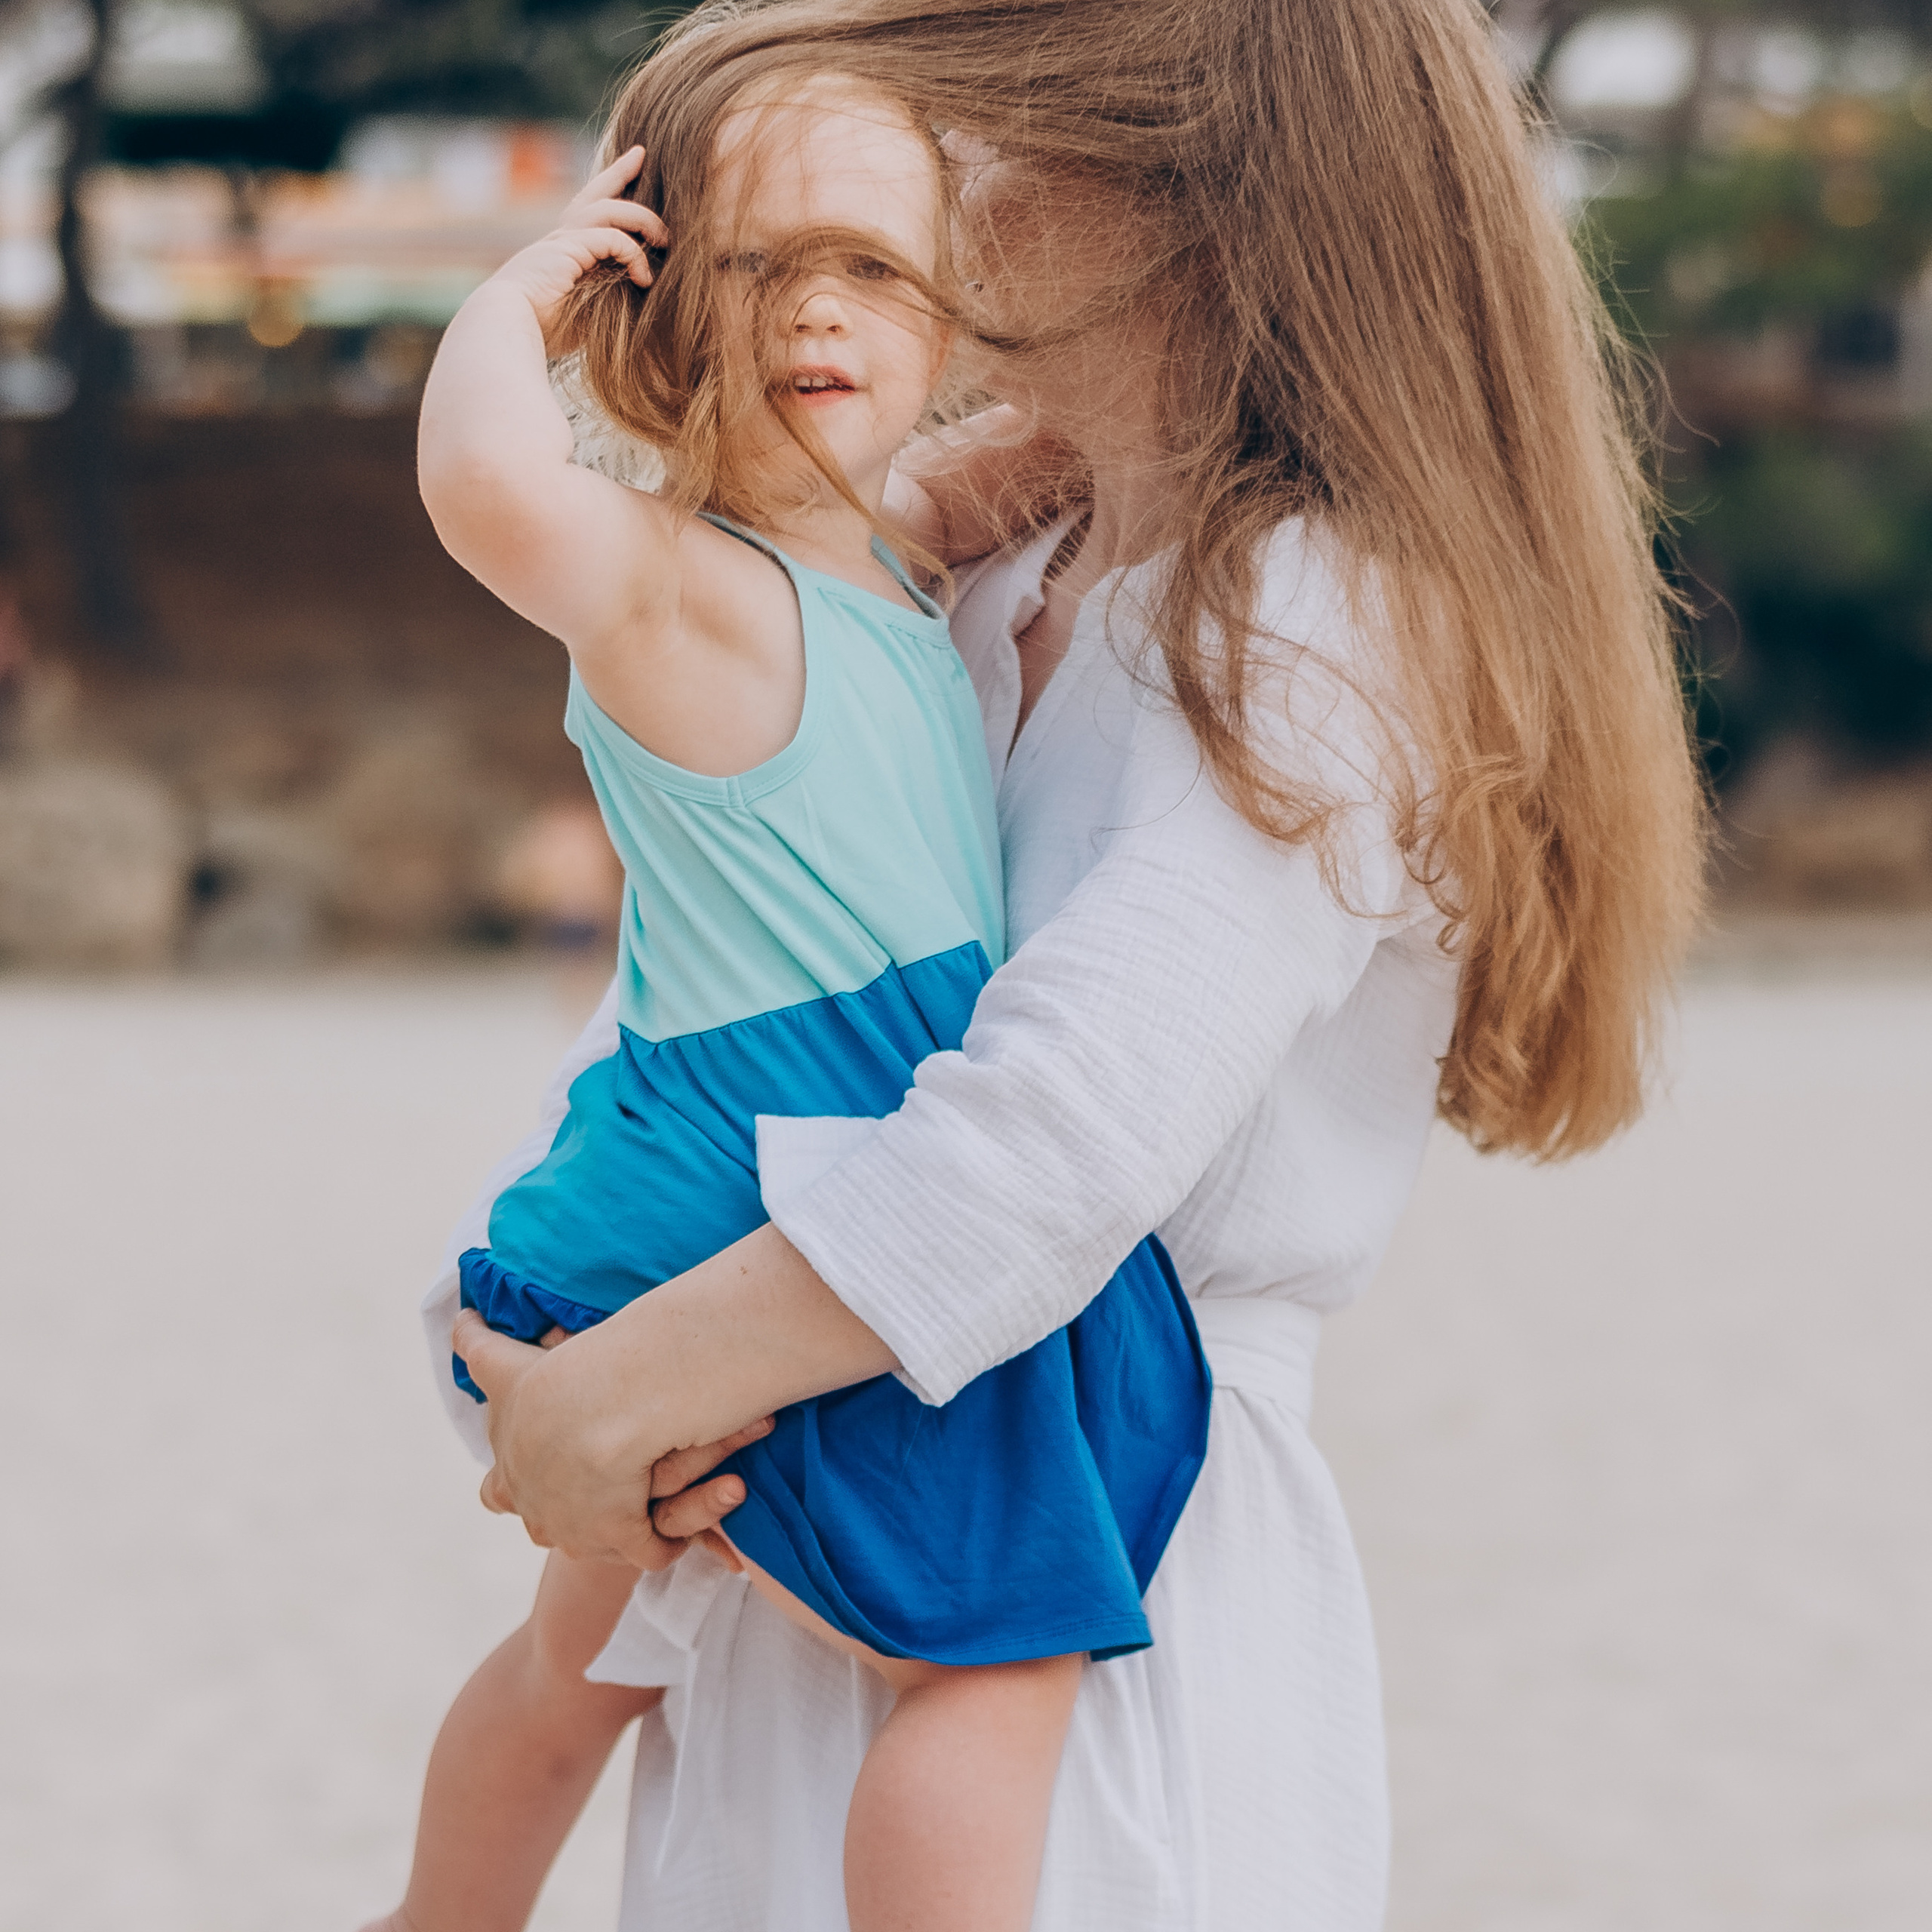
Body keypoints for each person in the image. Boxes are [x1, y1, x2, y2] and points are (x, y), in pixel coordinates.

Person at [433, 1, 1709, 1926]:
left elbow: (1056, 1141)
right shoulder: (967, 590)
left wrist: (603, 1399)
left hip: (1100, 1536)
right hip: (786, 1502)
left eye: (1014, 117)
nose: (961, 160)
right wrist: (519, 1369)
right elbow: (692, 1044)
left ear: (1183, 185)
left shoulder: (1315, 607)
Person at [374, 41, 1211, 1932]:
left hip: (724, 1157)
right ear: (648, 308)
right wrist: (517, 291)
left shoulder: (890, 555)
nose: (816, 304)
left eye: (872, 267)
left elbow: (1033, 461)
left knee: (573, 1665)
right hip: (783, 1168)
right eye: (752, 265)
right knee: (986, 1664)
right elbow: (491, 491)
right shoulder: (683, 585)